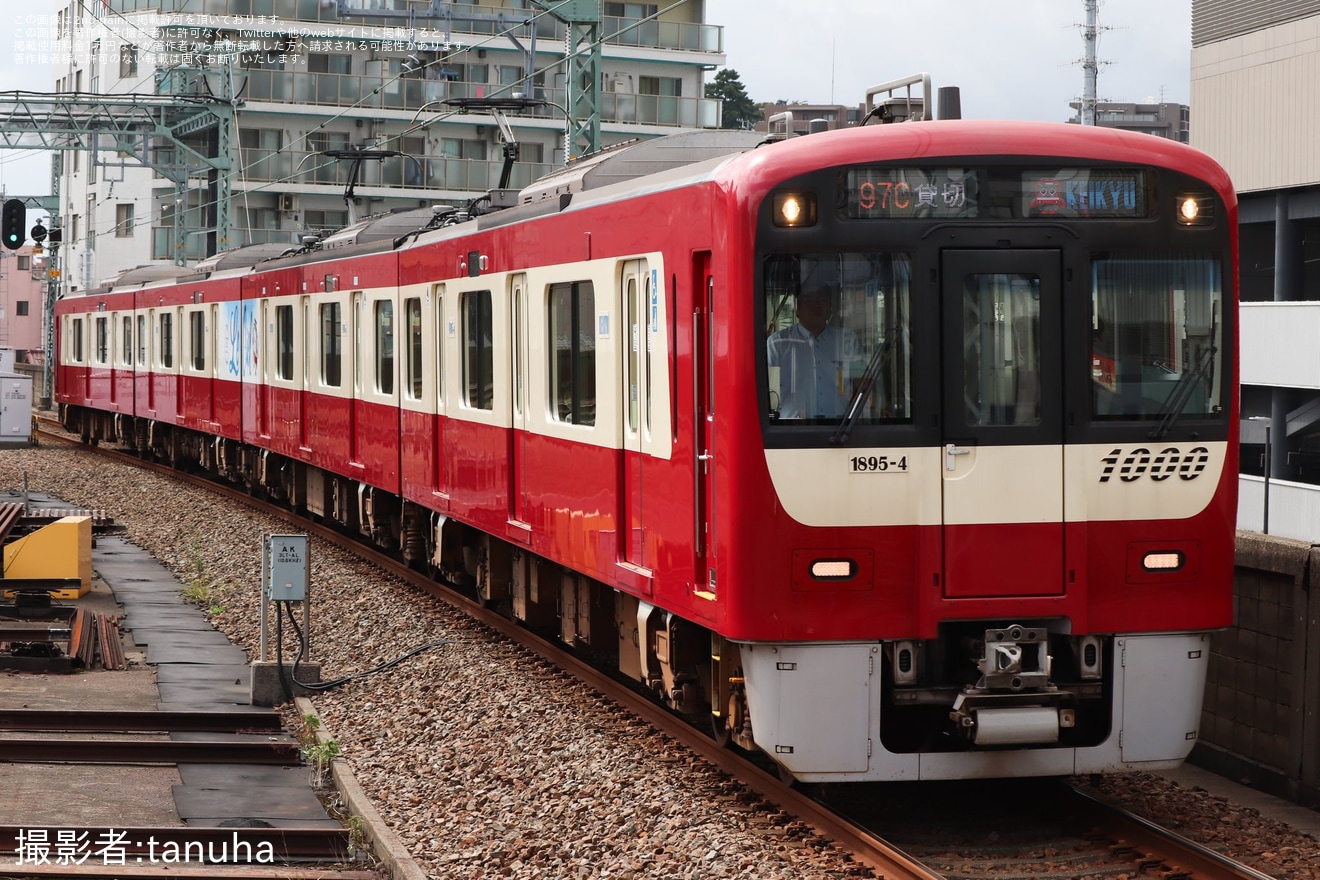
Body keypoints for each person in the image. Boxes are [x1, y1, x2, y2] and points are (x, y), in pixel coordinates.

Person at [766, 279, 865, 420]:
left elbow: (863, 384)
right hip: (790, 433)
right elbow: (769, 395)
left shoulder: (848, 340)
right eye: (809, 299)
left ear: (830, 307)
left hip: (840, 431)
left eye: (822, 299)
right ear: (797, 308)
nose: (816, 304)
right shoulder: (778, 344)